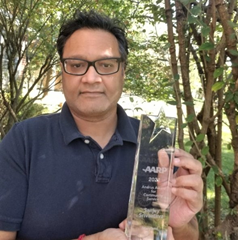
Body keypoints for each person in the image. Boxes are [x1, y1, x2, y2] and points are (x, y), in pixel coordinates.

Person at [0, 10, 203, 240]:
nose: (91, 78)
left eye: (106, 65)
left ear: (123, 72)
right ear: (62, 71)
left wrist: (179, 224)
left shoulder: (155, 145)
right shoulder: (25, 142)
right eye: (76, 65)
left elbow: (188, 235)